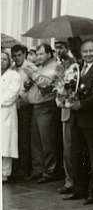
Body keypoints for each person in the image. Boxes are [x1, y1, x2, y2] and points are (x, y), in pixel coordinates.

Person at [62, 40, 93, 204]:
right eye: (85, 51)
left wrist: (81, 104)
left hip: (92, 118)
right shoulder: (77, 67)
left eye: (91, 51)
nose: (88, 54)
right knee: (77, 155)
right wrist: (66, 97)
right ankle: (79, 189)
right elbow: (70, 87)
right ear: (81, 53)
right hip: (76, 119)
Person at [26, 43, 62, 183]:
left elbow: (46, 84)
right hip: (36, 106)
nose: (39, 57)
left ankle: (50, 171)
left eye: (41, 54)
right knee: (36, 141)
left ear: (49, 54)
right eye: (38, 54)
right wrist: (28, 82)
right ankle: (38, 169)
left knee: (47, 141)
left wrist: (33, 74)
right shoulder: (40, 67)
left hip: (46, 107)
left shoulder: (55, 66)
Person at [10, 44, 37, 179]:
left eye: (19, 55)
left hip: (26, 106)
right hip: (14, 106)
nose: (16, 58)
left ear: (25, 54)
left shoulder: (31, 67)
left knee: (25, 138)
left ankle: (25, 168)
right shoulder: (12, 68)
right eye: (14, 56)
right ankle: (16, 167)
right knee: (15, 136)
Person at [54, 39, 77, 196]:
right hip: (65, 111)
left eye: (62, 47)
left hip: (76, 108)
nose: (59, 50)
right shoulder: (59, 66)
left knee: (74, 149)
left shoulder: (75, 64)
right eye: (57, 48)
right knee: (67, 149)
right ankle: (69, 181)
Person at [2, 51, 21, 182]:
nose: (1, 61)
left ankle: (4, 173)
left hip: (6, 112)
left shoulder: (14, 75)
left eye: (4, 59)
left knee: (5, 143)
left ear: (9, 61)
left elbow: (12, 94)